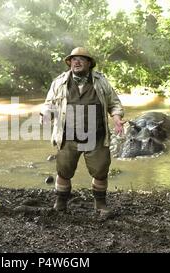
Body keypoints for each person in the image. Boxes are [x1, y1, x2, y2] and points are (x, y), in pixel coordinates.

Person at [40, 47, 125, 215]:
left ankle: (100, 204)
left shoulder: (101, 81)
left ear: (89, 63)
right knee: (63, 171)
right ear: (70, 63)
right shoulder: (59, 82)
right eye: (73, 59)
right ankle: (60, 203)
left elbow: (114, 103)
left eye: (81, 59)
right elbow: (48, 103)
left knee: (101, 171)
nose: (77, 62)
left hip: (97, 136)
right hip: (68, 136)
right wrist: (45, 113)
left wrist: (116, 118)